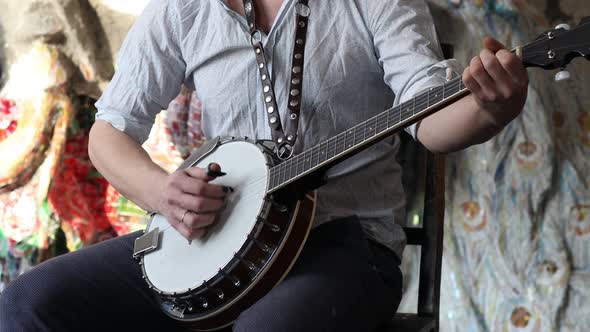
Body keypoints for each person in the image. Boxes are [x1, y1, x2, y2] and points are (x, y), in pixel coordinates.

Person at [0, 0, 529, 331]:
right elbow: (108, 134)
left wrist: (489, 108)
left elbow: (429, 120)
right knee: (30, 301)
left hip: (346, 245)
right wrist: (164, 194)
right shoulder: (185, 9)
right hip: (216, 242)